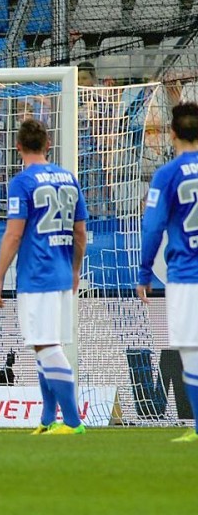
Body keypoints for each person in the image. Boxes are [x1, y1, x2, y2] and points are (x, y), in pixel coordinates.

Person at [0, 119, 88, 435]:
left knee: (46, 346)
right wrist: (75, 270)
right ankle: (48, 418)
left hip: (37, 273)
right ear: (48, 144)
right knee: (43, 344)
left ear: (17, 147)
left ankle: (73, 422)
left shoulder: (22, 182)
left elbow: (14, 235)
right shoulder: (69, 178)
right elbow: (80, 232)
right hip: (61, 272)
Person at [137, 102, 198, 443]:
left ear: (172, 133)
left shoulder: (167, 175)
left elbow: (153, 227)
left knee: (191, 351)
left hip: (187, 275)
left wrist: (145, 272)